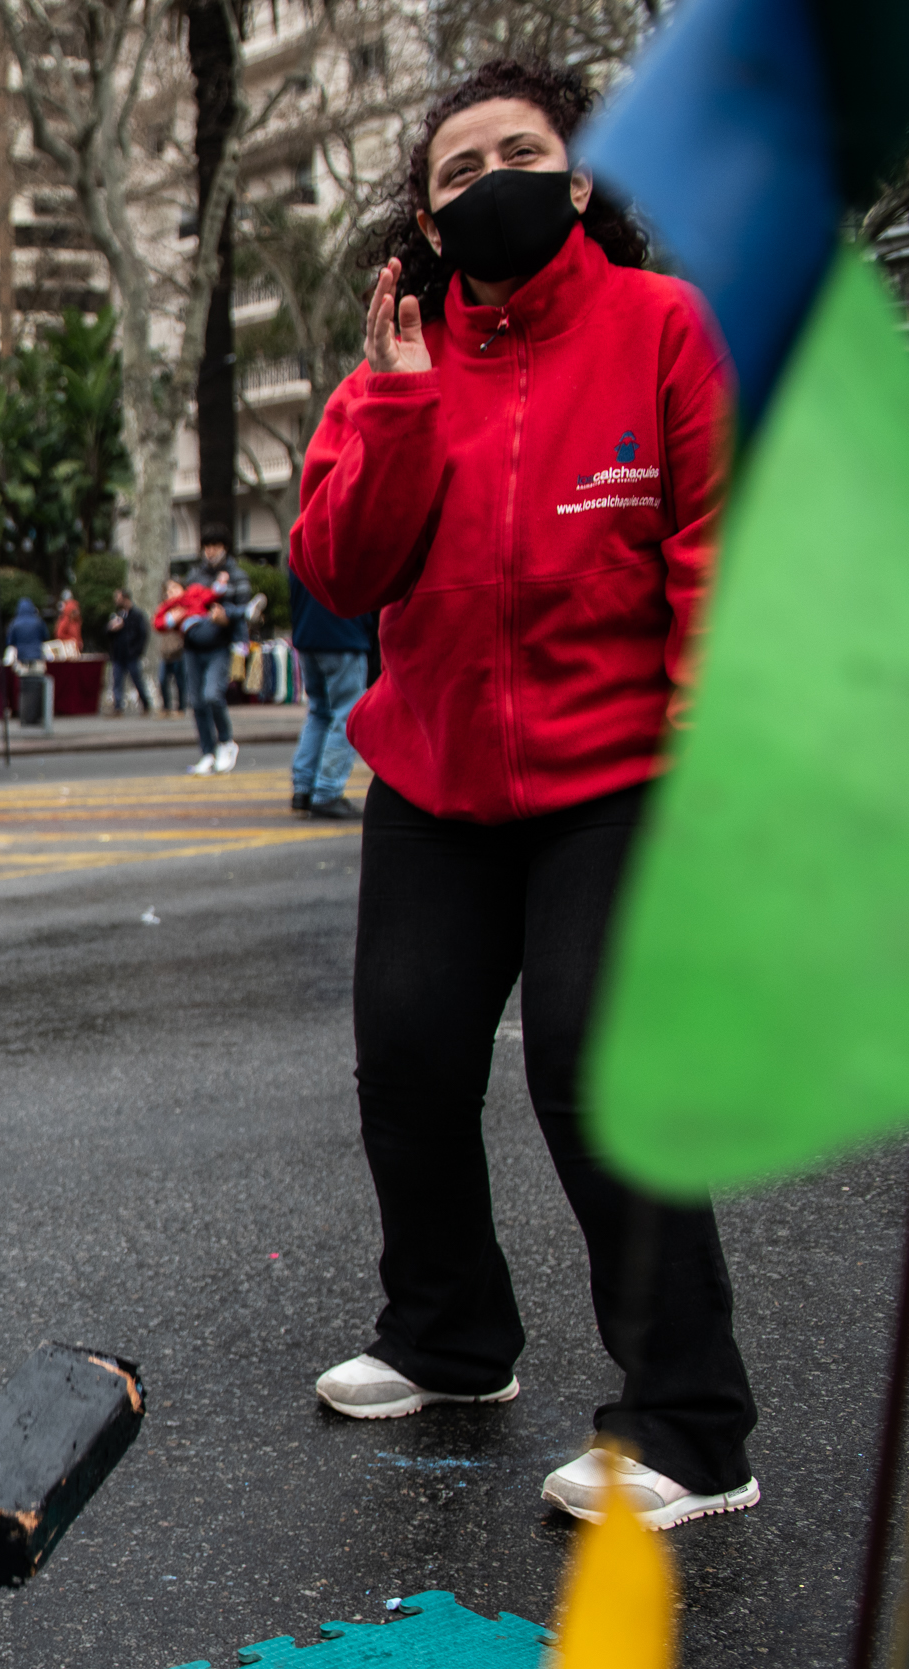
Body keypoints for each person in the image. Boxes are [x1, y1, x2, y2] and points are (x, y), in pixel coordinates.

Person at [291, 57, 751, 1529]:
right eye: (454, 170)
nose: (490, 178)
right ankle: (449, 1338)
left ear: (577, 174)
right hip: (436, 764)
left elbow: (712, 548)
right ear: (424, 220)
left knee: (589, 1066)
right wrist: (403, 402)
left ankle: (689, 1426)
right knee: (410, 1052)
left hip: (617, 764)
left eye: (521, 150)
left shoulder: (661, 325)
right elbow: (338, 570)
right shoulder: (392, 367)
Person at [285, 563, 372, 821]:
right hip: (343, 635)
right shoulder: (348, 543)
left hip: (308, 637)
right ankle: (327, 790)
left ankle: (303, 786)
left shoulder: (302, 540)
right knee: (347, 712)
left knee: (319, 712)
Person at [157, 543, 245, 773]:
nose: (210, 551)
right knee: (196, 702)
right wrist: (171, 618)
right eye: (206, 546)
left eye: (215, 546)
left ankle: (226, 742)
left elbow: (220, 598)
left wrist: (227, 614)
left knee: (212, 695)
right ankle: (208, 752)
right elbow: (158, 621)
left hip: (217, 645)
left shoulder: (231, 577)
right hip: (192, 649)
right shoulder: (192, 579)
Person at [104, 587, 153, 714]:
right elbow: (107, 632)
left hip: (131, 654)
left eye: (118, 597)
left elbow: (143, 634)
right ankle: (118, 707)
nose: (115, 600)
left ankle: (146, 703)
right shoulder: (118, 614)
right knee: (117, 681)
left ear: (125, 598)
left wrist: (137, 651)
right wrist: (111, 628)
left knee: (137, 680)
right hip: (118, 654)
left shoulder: (136, 615)